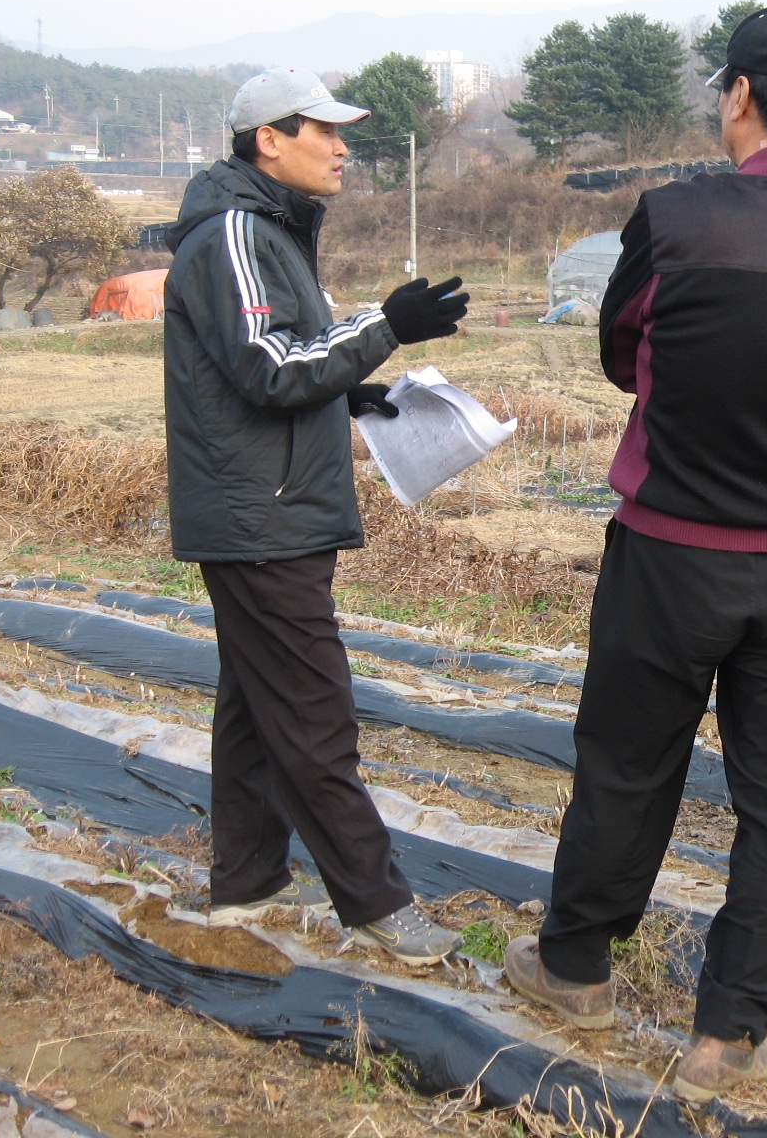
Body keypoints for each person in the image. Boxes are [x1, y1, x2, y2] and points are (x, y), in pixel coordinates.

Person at [502, 6, 767, 1102]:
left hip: (676, 548)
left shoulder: (675, 218)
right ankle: (731, 1033)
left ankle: (576, 968)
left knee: (629, 763)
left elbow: (622, 352)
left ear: (738, 96)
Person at [163, 67, 470, 962]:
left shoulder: (270, 229)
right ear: (269, 139)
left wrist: (349, 392)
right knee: (312, 712)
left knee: (255, 709)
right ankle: (378, 903)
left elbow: (273, 362)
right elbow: (267, 365)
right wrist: (385, 325)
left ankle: (247, 884)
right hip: (262, 517)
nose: (342, 149)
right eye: (323, 131)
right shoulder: (233, 232)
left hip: (271, 504)